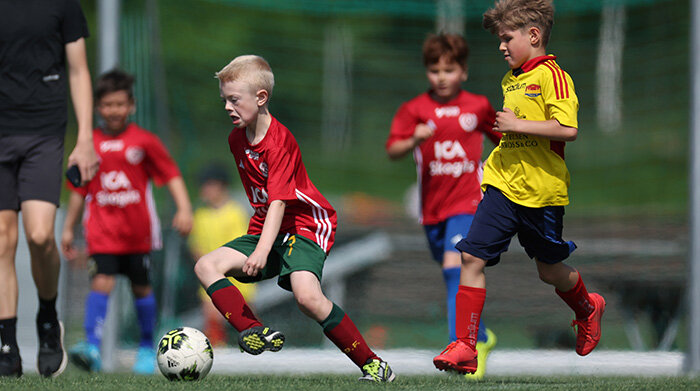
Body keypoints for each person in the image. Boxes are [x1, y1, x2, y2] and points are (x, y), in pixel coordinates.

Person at [193, 55, 395, 383]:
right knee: (206, 266)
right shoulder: (236, 140)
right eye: (224, 100)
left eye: (234, 99)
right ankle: (254, 332)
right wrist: (260, 242)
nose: (228, 107)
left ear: (261, 98)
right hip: (269, 227)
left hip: (306, 224)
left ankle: (373, 364)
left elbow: (278, 202)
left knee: (307, 297)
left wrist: (261, 251)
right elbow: (264, 205)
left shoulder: (279, 141)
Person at [433, 0, 606, 375]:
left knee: (549, 270)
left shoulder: (553, 75)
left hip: (541, 194)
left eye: (507, 38)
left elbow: (568, 129)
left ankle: (588, 307)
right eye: (499, 39)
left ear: (533, 35)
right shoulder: (511, 78)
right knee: (471, 257)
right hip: (501, 187)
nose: (501, 46)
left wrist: (517, 126)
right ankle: (466, 345)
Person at [60, 69, 193, 374]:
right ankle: (91, 346)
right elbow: (79, 191)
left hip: (138, 236)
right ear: (97, 108)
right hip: (103, 234)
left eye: (120, 104)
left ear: (131, 105)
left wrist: (184, 208)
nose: (114, 111)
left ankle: (147, 348)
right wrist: (69, 227)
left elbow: (170, 173)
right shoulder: (88, 144)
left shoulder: (144, 141)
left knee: (142, 288)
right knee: (101, 282)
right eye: (107, 105)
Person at [386, 33, 500, 380]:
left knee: (456, 266)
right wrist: (413, 139)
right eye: (435, 70)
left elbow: (505, 139)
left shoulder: (478, 106)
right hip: (432, 211)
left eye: (449, 69)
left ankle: (461, 349)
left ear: (463, 71)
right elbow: (393, 150)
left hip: (469, 204)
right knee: (451, 271)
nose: (441, 76)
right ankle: (480, 337)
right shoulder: (415, 110)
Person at [0, 0, 100, 378]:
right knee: (1, 241)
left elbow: (78, 71)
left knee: (40, 234)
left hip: (43, 129)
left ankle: (47, 318)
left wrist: (86, 138)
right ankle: (7, 343)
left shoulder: (63, 6)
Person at [188, 164, 254, 346]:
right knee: (213, 322)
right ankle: (219, 356)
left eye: (209, 185)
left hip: (237, 280)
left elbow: (240, 249)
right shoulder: (200, 215)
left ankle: (256, 356)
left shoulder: (234, 213)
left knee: (246, 325)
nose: (204, 190)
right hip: (209, 280)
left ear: (221, 186)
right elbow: (196, 246)